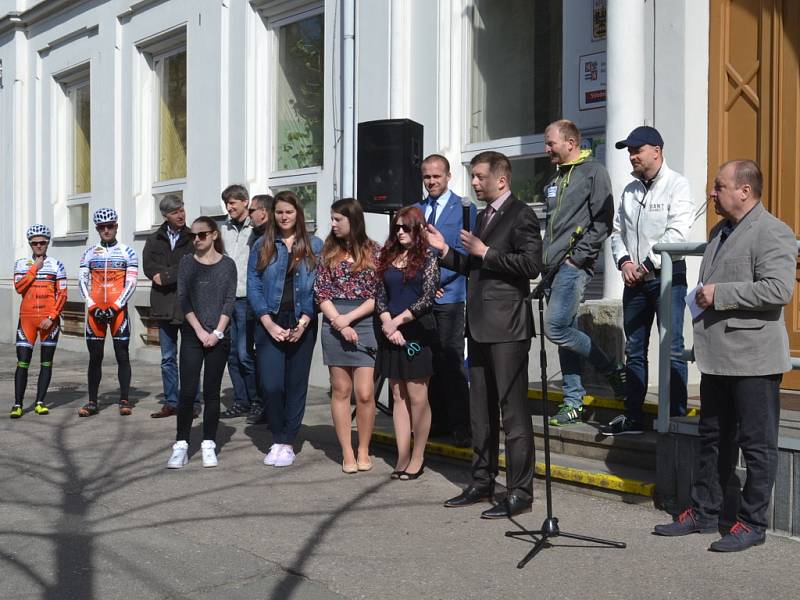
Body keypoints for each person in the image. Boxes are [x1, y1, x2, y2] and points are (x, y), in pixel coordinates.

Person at [654, 160, 796, 552]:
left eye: (719, 187)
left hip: (754, 359)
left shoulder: (773, 232)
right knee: (713, 439)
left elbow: (778, 290)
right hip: (717, 357)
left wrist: (720, 293)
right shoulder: (720, 231)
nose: (712, 194)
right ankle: (705, 511)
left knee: (757, 445)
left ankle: (751, 523)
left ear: (744, 191)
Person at [428, 151, 542, 518]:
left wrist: (486, 250)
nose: (474, 183)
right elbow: (473, 267)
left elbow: (531, 265)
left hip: (508, 327)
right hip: (477, 325)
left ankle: (520, 492)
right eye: (473, 177)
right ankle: (481, 481)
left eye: (479, 177)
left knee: (513, 414)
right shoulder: (481, 216)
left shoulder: (521, 214)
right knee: (480, 411)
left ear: (501, 180)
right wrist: (445, 251)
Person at [600, 126, 696, 435]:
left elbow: (679, 233)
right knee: (635, 349)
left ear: (657, 150)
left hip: (667, 277)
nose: (632, 156)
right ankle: (633, 415)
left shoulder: (677, 185)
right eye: (629, 151)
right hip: (635, 282)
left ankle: (676, 417)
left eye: (637, 150)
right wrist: (625, 262)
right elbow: (616, 233)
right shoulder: (630, 190)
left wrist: (644, 264)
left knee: (672, 346)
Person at [541, 119, 625, 427]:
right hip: (551, 269)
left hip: (572, 267)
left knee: (556, 329)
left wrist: (577, 259)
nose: (546, 148)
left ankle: (613, 368)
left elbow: (603, 219)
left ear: (571, 143)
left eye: (551, 143)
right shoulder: (554, 179)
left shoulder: (594, 172)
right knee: (565, 334)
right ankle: (573, 401)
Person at [248, 190, 323, 468]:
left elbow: (320, 288)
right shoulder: (263, 244)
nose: (284, 216)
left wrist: (305, 321)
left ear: (298, 214)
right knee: (271, 384)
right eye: (279, 212)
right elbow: (253, 284)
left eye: (289, 212)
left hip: (302, 321)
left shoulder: (314, 244)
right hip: (270, 320)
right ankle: (277, 437)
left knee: (295, 384)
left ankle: (288, 441)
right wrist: (267, 321)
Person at [314, 198, 381, 473]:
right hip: (333, 320)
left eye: (337, 219)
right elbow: (321, 292)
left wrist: (349, 320)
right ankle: (347, 452)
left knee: (365, 393)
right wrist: (339, 323)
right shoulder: (328, 251)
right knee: (341, 390)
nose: (332, 224)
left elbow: (378, 294)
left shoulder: (374, 250)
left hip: (364, 320)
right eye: (331, 219)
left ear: (352, 220)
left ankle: (364, 447)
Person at [415, 154, 476, 446]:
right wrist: (422, 287)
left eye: (436, 176)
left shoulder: (464, 209)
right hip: (424, 300)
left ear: (448, 176)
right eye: (427, 176)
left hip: (450, 296)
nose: (431, 182)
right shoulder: (416, 210)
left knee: (451, 360)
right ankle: (437, 420)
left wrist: (437, 283)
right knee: (430, 361)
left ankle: (461, 425)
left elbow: (467, 254)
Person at [166, 217, 237, 469]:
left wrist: (217, 332)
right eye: (193, 236)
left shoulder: (228, 265)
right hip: (192, 335)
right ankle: (181, 444)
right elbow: (183, 299)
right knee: (187, 392)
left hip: (219, 336)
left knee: (211, 392)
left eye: (202, 235)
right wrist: (198, 331)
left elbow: (229, 300)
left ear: (214, 235)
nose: (197, 240)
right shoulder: (187, 263)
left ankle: (208, 443)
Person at [375, 206, 439, 480]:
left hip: (416, 332)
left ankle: (418, 455)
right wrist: (387, 323)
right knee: (398, 396)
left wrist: (398, 322)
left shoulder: (428, 257)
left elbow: (427, 298)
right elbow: (379, 294)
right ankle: (402, 455)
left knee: (417, 397)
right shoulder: (388, 256)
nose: (400, 232)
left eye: (406, 227)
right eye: (396, 228)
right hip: (392, 334)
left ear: (418, 229)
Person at [143, 194, 201, 419]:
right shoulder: (154, 239)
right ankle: (171, 402)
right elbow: (149, 267)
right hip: (163, 305)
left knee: (191, 357)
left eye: (182, 209)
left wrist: (165, 275)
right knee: (168, 357)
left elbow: (191, 265)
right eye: (175, 211)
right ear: (165, 215)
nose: (181, 214)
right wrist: (169, 274)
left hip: (188, 305)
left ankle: (193, 402)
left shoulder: (192, 237)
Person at [78, 208, 138, 417]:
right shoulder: (89, 253)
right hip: (95, 311)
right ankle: (93, 402)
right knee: (95, 357)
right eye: (102, 227)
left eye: (110, 226)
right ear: (97, 229)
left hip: (118, 311)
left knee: (123, 355)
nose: (106, 230)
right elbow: (82, 282)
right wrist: (92, 306)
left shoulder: (127, 252)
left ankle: (124, 399)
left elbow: (131, 283)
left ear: (116, 226)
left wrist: (116, 306)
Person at [10, 224, 67, 418]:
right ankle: (17, 404)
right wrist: (34, 269)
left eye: (43, 242)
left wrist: (51, 317)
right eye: (35, 243)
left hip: (49, 321)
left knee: (46, 363)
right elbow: (19, 287)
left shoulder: (57, 265)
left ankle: (40, 402)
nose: (39, 246)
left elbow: (62, 294)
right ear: (30, 244)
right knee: (23, 362)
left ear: (48, 243)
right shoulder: (21, 263)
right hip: (27, 320)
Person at [219, 184, 261, 420]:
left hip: (246, 298)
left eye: (233, 203)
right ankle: (241, 400)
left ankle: (257, 400)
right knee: (232, 354)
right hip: (226, 299)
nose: (229, 207)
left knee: (246, 353)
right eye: (227, 203)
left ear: (245, 201)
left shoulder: (254, 230)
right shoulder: (223, 229)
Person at [244, 193, 275, 425]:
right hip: (254, 306)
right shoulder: (254, 237)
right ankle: (259, 402)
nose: (249, 214)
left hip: (270, 310)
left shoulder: (269, 239)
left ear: (264, 212)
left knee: (267, 362)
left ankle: (267, 405)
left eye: (252, 210)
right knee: (246, 355)